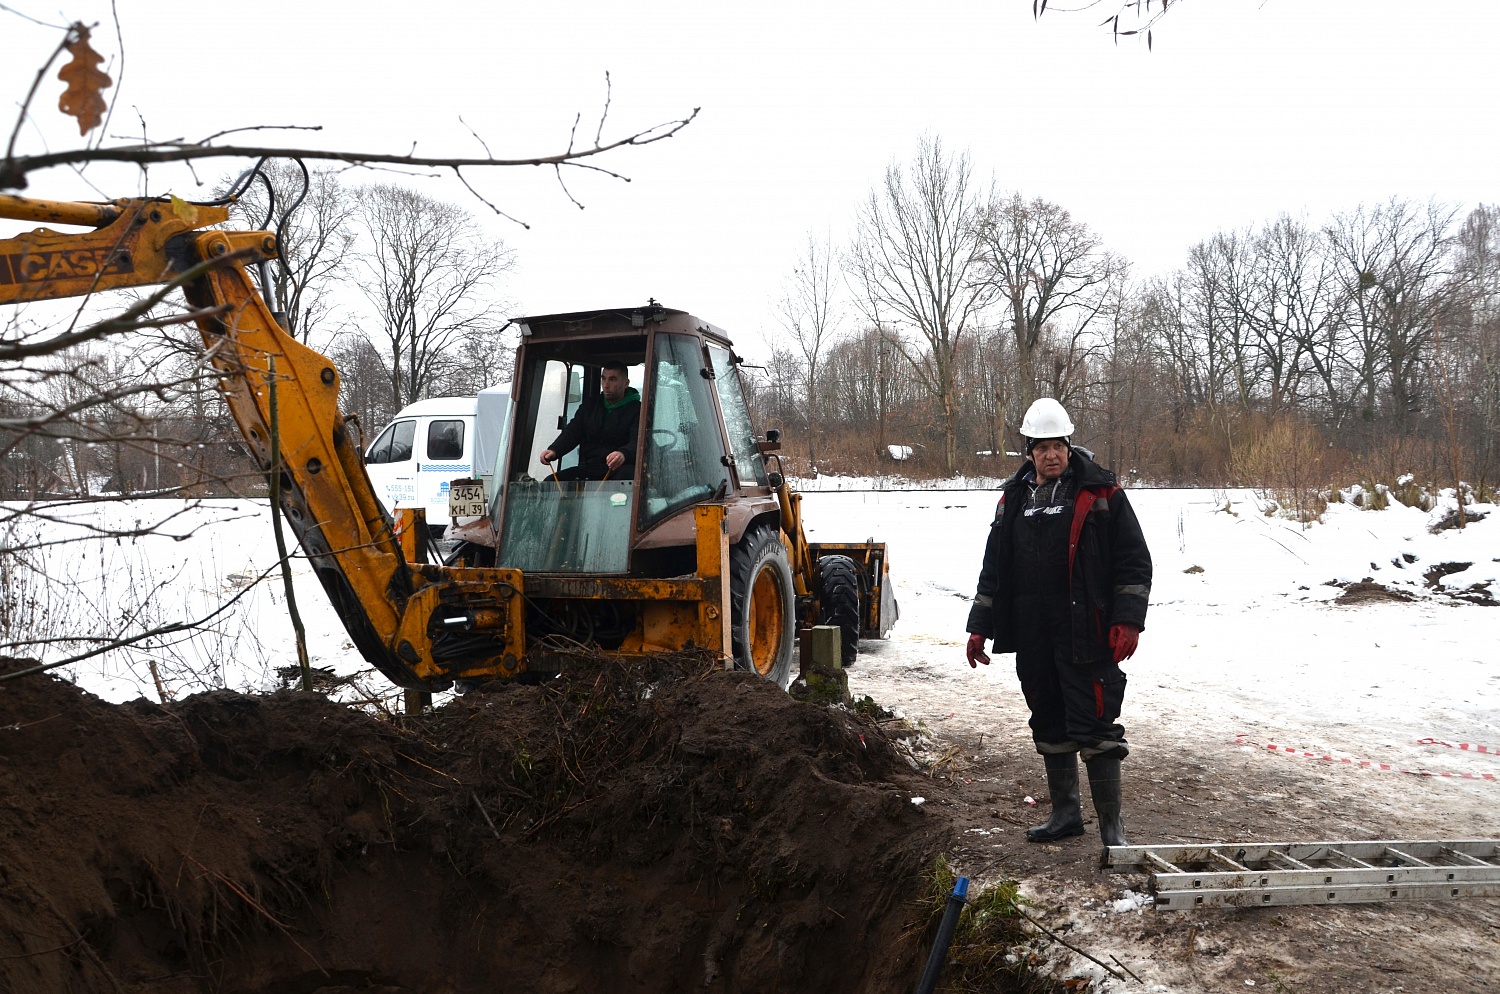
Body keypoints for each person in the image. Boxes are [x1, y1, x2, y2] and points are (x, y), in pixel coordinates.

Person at [963, 398, 1151, 848]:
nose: (1052, 455)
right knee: (1048, 720)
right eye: (1042, 447)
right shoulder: (1012, 500)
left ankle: (1112, 829)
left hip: (1086, 630)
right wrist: (979, 625)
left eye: (1059, 446)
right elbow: (994, 569)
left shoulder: (1102, 493)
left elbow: (1134, 561)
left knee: (1095, 725)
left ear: (1070, 446)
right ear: (1029, 451)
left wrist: (1128, 620)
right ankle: (1065, 814)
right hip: (1033, 633)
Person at [538, 361, 641, 481]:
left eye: (612, 379)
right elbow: (573, 431)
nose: (606, 385)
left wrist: (623, 454)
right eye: (603, 379)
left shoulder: (638, 410)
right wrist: (554, 450)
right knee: (550, 482)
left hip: (618, 469)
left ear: (626, 383)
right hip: (590, 467)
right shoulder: (590, 405)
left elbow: (638, 440)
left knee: (627, 478)